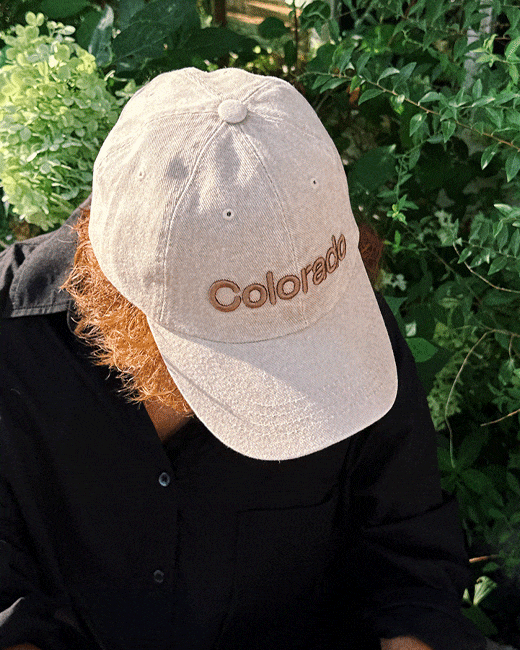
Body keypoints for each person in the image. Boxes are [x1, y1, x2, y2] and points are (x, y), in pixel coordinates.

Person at [0, 68, 486, 650]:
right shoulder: (13, 353)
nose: (281, 374)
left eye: (293, 344)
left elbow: (409, 561)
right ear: (122, 305)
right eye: (239, 357)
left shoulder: (347, 328)